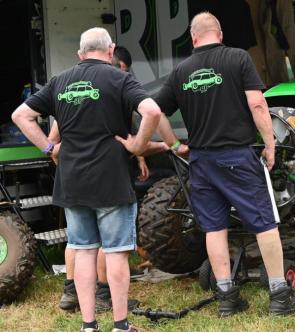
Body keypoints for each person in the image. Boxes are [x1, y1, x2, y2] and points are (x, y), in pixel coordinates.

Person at [147, 12, 295, 316]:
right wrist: (270, 143)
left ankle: (227, 298)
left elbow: (155, 112)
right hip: (236, 156)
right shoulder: (237, 58)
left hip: (200, 161)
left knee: (214, 228)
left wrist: (173, 145)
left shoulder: (180, 71)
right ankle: (280, 296)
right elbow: (257, 104)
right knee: (264, 222)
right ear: (220, 34)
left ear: (194, 38)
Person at [12, 27, 176, 332]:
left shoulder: (60, 81)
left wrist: (50, 147)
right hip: (111, 179)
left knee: (83, 250)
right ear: (111, 50)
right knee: (115, 253)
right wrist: (138, 146)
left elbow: (20, 115)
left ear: (79, 55)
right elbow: (152, 111)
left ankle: (89, 326)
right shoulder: (120, 78)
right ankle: (121, 325)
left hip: (72, 181)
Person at [57, 45, 148, 313]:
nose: (122, 76)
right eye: (122, 70)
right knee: (105, 242)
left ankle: (71, 291)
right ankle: (104, 294)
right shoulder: (116, 83)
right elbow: (144, 118)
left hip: (73, 171)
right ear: (112, 59)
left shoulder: (67, 87)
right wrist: (141, 149)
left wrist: (53, 150)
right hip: (105, 174)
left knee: (78, 241)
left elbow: (54, 130)